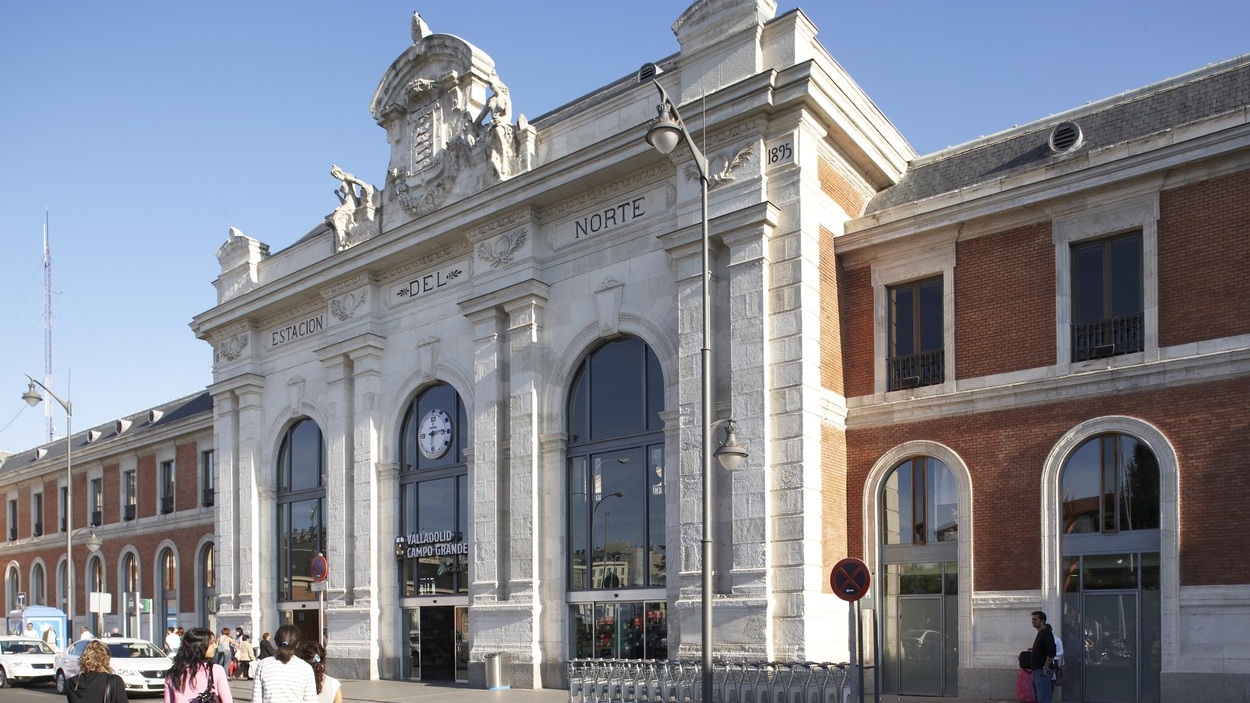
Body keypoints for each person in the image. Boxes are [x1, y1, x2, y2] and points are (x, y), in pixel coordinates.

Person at [163, 627, 232, 703]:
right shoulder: (216, 670)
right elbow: (227, 700)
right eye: (212, 643)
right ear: (200, 646)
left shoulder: (172, 674)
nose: (215, 646)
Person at [251, 624, 317, 703]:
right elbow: (310, 700)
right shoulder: (306, 668)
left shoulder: (263, 665)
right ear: (297, 644)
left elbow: (256, 700)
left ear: (275, 641)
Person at [1029, 610, 1057, 703]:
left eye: (1035, 619)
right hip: (1037, 670)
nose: (1033, 621)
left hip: (1042, 671)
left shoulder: (1046, 633)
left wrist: (1046, 666)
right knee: (1039, 697)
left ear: (1042, 620)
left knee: (1043, 698)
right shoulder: (1041, 633)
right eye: (1032, 619)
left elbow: (1052, 650)